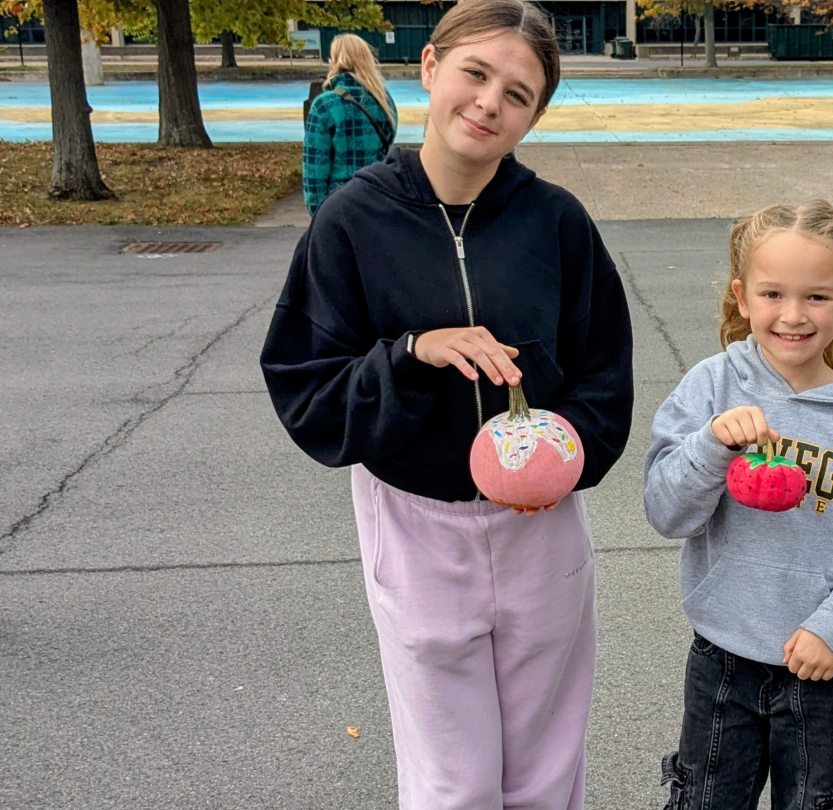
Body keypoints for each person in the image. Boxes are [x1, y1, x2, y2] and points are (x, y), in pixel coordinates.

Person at [260, 1, 634, 807]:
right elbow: (308, 390)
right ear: (429, 67)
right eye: (476, 73)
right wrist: (411, 354)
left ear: (535, 115)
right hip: (416, 523)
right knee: (451, 782)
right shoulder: (351, 221)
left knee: (544, 773)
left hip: (541, 528)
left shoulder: (557, 222)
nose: (490, 102)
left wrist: (564, 457)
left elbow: (604, 377)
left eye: (519, 93)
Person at [644, 200, 833, 808]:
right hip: (722, 656)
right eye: (772, 294)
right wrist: (710, 446)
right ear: (741, 296)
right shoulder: (710, 388)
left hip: (830, 670)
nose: (793, 316)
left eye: (817, 297)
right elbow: (667, 513)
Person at [302, 33, 399, 215]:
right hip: (378, 199)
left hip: (338, 206)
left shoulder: (324, 105)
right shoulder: (384, 101)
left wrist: (317, 214)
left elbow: (314, 168)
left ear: (336, 61)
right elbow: (386, 144)